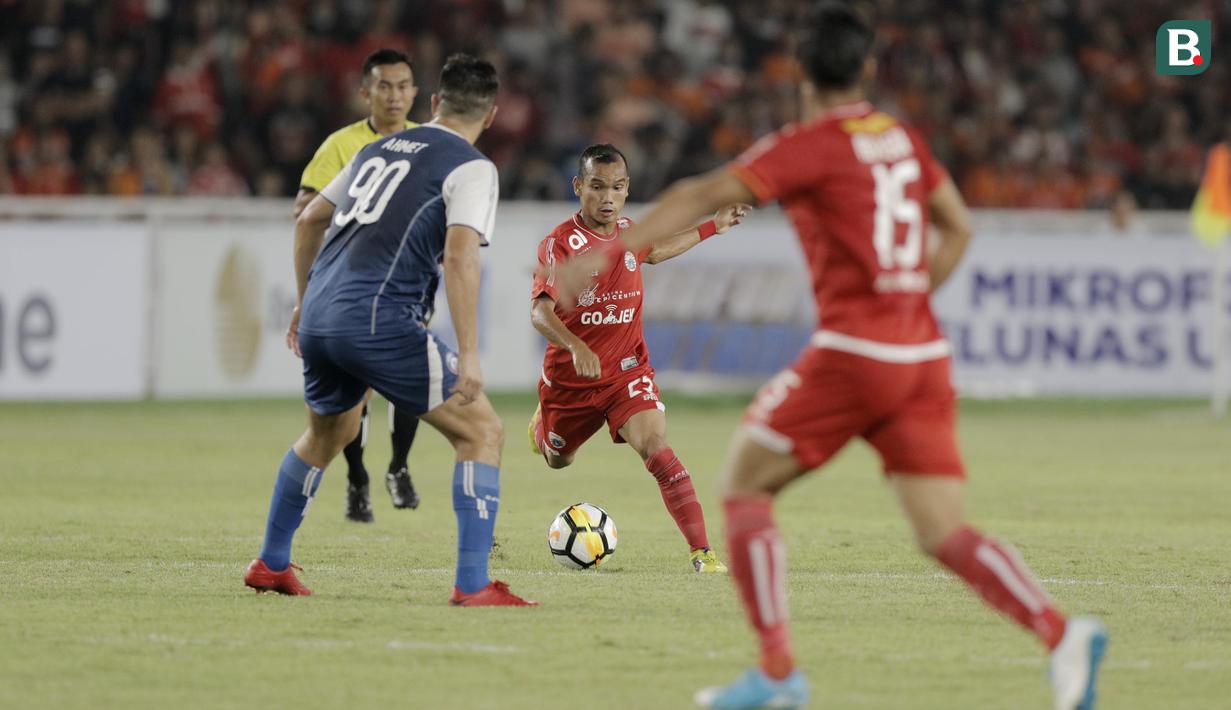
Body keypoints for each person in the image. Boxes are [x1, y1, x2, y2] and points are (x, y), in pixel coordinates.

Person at [552, 6, 1106, 709]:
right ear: (867, 67)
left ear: (800, 73)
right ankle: (1060, 632)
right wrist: (907, 301)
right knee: (942, 530)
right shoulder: (901, 137)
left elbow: (701, 192)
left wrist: (610, 252)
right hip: (921, 353)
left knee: (744, 487)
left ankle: (778, 673)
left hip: (854, 353)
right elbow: (959, 229)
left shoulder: (810, 143)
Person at [244, 54, 535, 607]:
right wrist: (470, 353)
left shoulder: (375, 148)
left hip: (323, 315)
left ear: (434, 103)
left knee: (327, 435)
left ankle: (271, 562)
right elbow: (461, 255)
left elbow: (308, 219)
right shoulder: (472, 167)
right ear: (492, 115)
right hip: (378, 319)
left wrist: (306, 303)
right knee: (482, 432)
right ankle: (474, 584)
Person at [529, 143, 746, 573]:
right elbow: (539, 311)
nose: (608, 197)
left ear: (627, 189)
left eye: (617, 187)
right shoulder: (560, 243)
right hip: (572, 381)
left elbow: (657, 250)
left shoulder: (630, 232)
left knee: (657, 449)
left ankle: (702, 552)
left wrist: (713, 227)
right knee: (558, 459)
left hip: (626, 373)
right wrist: (577, 346)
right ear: (578, 187)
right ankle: (542, 428)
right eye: (597, 187)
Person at [295, 48, 424, 523]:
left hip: (407, 283)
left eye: (402, 86)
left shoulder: (427, 143)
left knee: (410, 381)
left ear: (415, 93)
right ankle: (357, 477)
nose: (394, 95)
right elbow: (305, 208)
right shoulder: (341, 145)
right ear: (365, 92)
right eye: (384, 86)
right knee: (355, 390)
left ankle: (399, 466)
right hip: (351, 283)